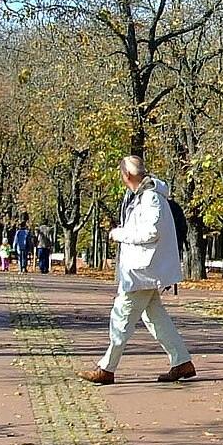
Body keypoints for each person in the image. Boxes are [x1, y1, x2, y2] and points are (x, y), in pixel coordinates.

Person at [79, 155, 195, 385]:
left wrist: (119, 234)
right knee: (155, 318)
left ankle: (107, 368)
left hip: (142, 272)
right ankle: (181, 361)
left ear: (127, 175)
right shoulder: (142, 197)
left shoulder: (150, 198)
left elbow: (150, 232)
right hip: (142, 271)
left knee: (121, 317)